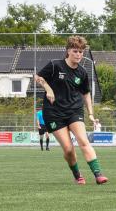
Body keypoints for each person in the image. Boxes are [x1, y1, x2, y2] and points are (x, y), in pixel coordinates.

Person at [34, 35, 108, 185]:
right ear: (68, 51)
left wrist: (91, 114)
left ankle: (98, 174)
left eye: (81, 52)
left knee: (83, 141)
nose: (79, 55)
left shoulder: (82, 73)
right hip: (54, 113)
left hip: (74, 110)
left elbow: (86, 93)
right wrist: (48, 89)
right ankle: (77, 174)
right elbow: (38, 77)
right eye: (75, 51)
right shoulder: (55, 65)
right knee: (68, 149)